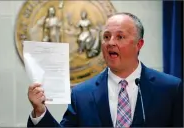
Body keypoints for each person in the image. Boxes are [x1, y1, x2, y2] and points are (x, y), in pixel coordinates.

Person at [27, 12, 183, 127]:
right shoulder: (81, 95)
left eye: (120, 37)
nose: (110, 43)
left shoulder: (170, 89)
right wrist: (40, 111)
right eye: (106, 37)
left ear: (139, 45)